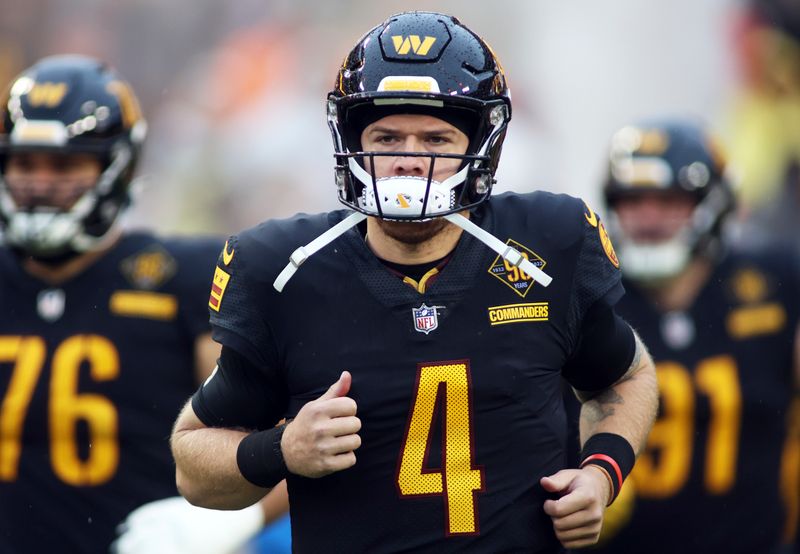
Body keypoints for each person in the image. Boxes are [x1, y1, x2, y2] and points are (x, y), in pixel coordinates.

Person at [171, 11, 659, 553]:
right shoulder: (285, 270)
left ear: (481, 144)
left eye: (434, 138)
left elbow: (625, 377)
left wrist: (600, 472)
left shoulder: (548, 246)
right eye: (387, 136)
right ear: (351, 141)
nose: (408, 161)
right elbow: (192, 463)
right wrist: (280, 449)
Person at [0, 54, 286, 553]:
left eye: (65, 165)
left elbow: (292, 435)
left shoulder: (181, 279)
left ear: (115, 167)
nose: (40, 183)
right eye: (25, 162)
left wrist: (231, 521)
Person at [586, 119, 800, 554]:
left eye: (669, 200)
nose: (647, 217)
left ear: (714, 203)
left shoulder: (774, 283)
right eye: (632, 200)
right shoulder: (590, 298)